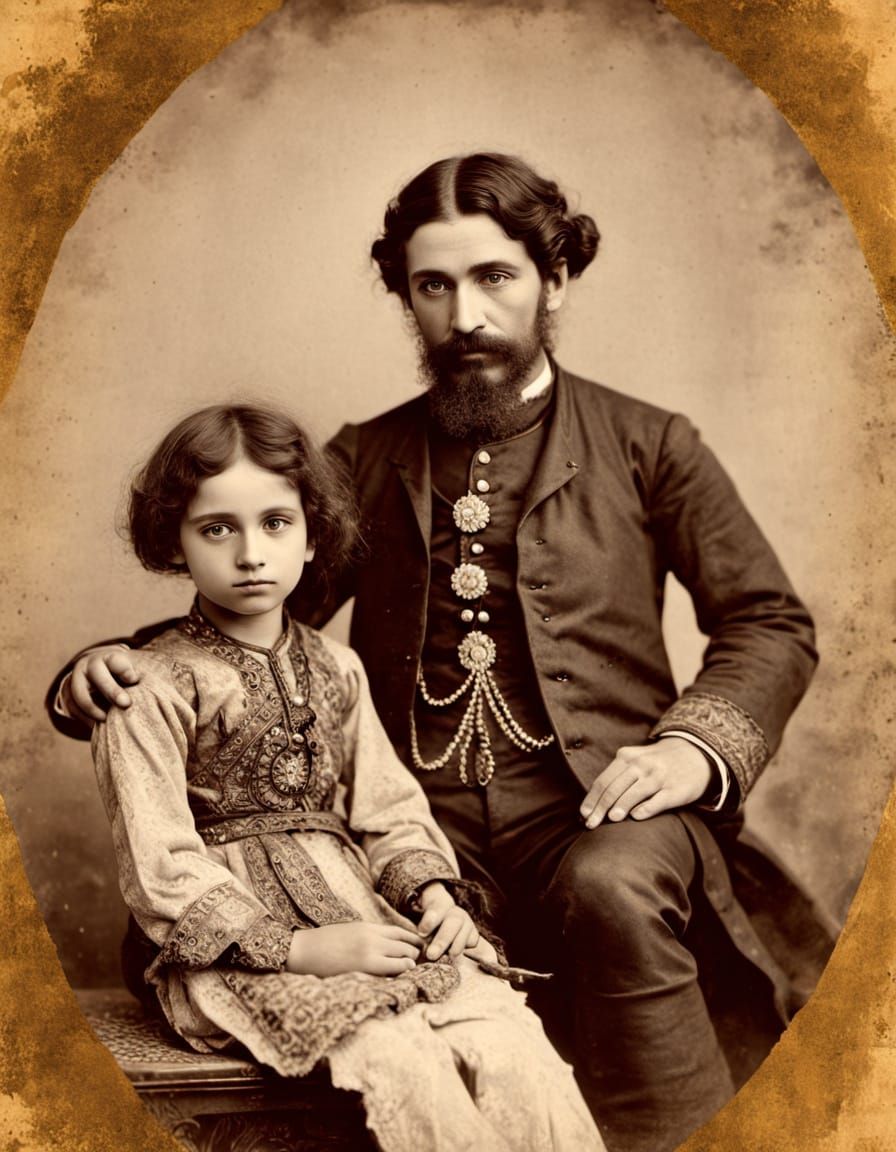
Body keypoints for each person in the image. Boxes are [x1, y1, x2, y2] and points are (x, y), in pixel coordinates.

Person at [52, 154, 825, 1152]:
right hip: (416, 818)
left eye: (493, 277)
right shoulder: (361, 458)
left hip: (595, 807)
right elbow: (248, 614)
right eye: (432, 285)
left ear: (553, 277)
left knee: (614, 888)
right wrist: (107, 668)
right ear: (405, 295)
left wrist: (689, 749)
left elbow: (767, 619)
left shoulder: (649, 443)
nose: (464, 315)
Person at [82, 402, 603, 1152]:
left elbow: (388, 810)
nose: (251, 554)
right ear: (175, 540)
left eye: (275, 524)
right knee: (402, 1059)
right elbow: (160, 866)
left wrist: (432, 898)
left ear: (312, 534)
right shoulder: (152, 686)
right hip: (234, 954)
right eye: (216, 529)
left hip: (366, 917)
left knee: (510, 1038)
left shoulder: (337, 668)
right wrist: (301, 951)